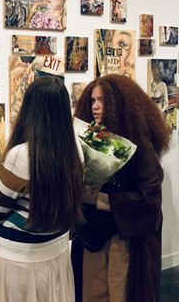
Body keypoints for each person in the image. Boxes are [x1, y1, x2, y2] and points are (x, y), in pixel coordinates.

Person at [0, 76, 84, 301]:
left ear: (30, 110)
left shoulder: (21, 155)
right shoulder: (75, 147)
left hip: (20, 259)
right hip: (57, 251)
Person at [72, 74, 171, 302]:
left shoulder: (139, 145)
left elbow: (150, 198)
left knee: (120, 294)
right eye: (93, 101)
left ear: (119, 104)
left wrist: (101, 200)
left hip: (121, 240)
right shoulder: (91, 137)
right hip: (91, 238)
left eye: (102, 101)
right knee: (91, 294)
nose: (95, 107)